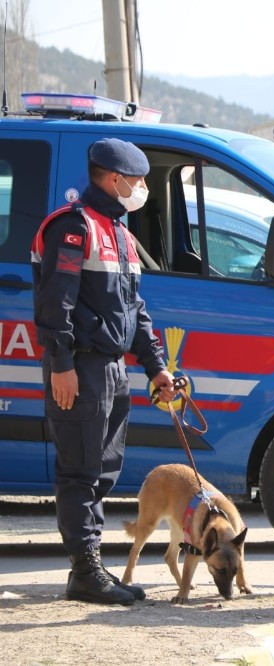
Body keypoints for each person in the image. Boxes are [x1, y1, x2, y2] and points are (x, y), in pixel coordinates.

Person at [32, 138, 176, 605]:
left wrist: (156, 367)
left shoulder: (118, 232)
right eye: (137, 181)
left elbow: (135, 310)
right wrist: (61, 364)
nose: (142, 189)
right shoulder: (73, 228)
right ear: (114, 180)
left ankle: (90, 569)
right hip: (82, 368)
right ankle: (84, 570)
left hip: (112, 370)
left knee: (103, 472)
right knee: (80, 472)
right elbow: (58, 302)